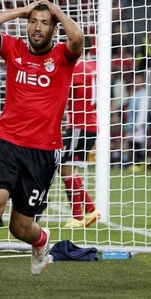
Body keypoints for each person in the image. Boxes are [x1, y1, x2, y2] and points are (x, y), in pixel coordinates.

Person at [0, 0, 84, 298]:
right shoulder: (13, 49)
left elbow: (78, 37)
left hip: (43, 152)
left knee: (20, 228)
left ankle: (41, 239)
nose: (37, 27)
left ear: (54, 28)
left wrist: (55, 11)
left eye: (44, 23)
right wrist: (22, 10)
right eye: (34, 22)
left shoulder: (63, 55)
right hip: (7, 142)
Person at [60, 56, 99, 228]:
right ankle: (90, 210)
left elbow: (64, 90)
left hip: (79, 125)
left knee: (66, 168)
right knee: (69, 168)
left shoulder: (78, 68)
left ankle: (77, 217)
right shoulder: (92, 66)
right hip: (88, 124)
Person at [122, 71, 148, 170]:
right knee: (131, 142)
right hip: (130, 122)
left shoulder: (143, 94)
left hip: (138, 124)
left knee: (138, 142)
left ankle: (138, 163)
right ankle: (132, 163)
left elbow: (143, 110)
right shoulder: (134, 93)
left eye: (138, 80)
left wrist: (138, 124)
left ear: (142, 81)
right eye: (135, 79)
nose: (136, 81)